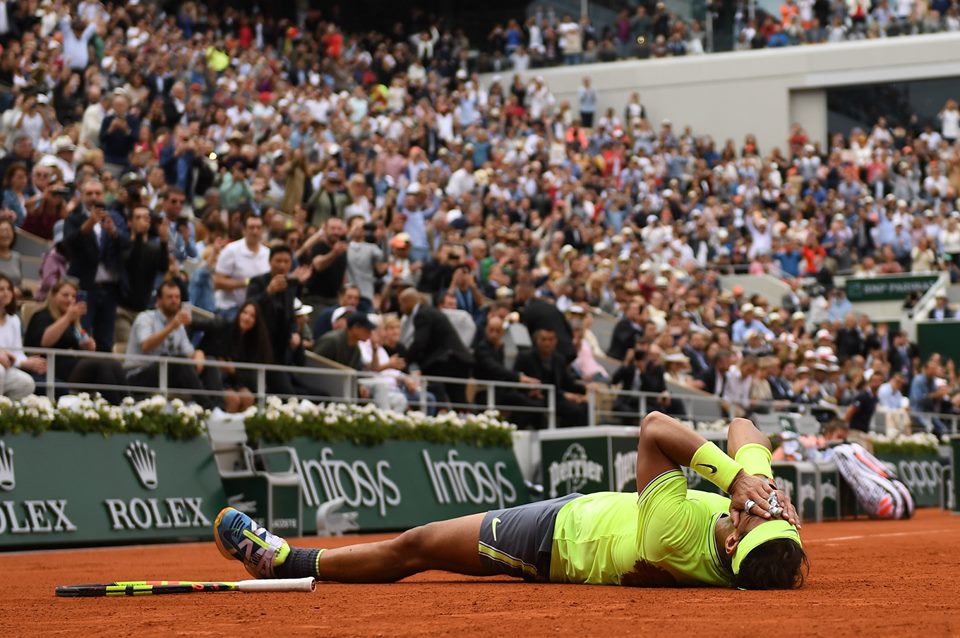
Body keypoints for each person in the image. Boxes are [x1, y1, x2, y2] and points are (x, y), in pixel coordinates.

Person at [214, 412, 805, 590]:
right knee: (416, 549)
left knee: (416, 547)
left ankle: (284, 561)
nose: (757, 507)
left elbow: (653, 428)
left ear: (732, 540)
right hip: (580, 519)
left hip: (550, 540)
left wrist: (732, 478)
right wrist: (762, 484)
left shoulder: (674, 534)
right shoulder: (762, 545)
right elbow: (746, 426)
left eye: (752, 514)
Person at [23, 279, 128, 403]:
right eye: (65, 295)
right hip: (51, 367)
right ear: (53, 296)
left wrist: (88, 344)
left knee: (113, 363)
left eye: (74, 296)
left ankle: (126, 404)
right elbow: (46, 341)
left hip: (74, 366)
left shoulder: (74, 321)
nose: (70, 299)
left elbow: (82, 343)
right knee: (100, 366)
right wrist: (68, 317)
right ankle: (115, 408)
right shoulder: (42, 316)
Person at [125, 280, 224, 410]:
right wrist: (172, 326)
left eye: (177, 297)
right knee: (177, 361)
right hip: (139, 373)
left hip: (168, 374)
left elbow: (189, 352)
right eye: (169, 297)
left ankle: (218, 410)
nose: (174, 301)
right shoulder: (145, 318)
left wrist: (198, 353)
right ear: (159, 300)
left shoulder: (178, 324)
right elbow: (146, 346)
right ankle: (208, 408)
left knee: (209, 362)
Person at [63, 178, 129, 352]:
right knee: (82, 338)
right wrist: (89, 223)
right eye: (89, 193)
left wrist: (113, 232)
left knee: (105, 341)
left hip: (109, 288)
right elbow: (69, 244)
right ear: (82, 196)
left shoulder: (114, 217)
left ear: (104, 195)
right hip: (84, 288)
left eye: (97, 193)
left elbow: (127, 243)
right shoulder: (74, 218)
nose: (94, 197)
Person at [398, 287, 474, 408]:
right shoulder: (428, 311)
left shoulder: (422, 314)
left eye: (401, 304)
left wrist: (404, 361)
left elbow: (419, 343)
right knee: (458, 400)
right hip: (457, 360)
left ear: (407, 301)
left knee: (446, 395)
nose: (400, 308)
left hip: (450, 361)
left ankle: (444, 419)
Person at [115, 206, 169, 345]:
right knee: (126, 349)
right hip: (123, 310)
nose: (142, 221)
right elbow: (133, 261)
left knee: (144, 350)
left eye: (145, 217)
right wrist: (139, 235)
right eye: (138, 217)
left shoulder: (153, 247)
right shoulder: (123, 243)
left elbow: (163, 267)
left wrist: (164, 241)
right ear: (129, 222)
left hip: (144, 311)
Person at [514, 327, 588, 427]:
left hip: (556, 398)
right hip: (534, 397)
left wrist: (586, 389)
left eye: (550, 339)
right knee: (535, 408)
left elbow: (568, 383)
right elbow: (517, 379)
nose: (547, 343)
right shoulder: (525, 357)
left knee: (582, 408)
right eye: (544, 339)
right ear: (536, 341)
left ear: (556, 341)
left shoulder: (559, 359)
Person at [214, 213, 269, 319]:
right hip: (231, 307)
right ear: (244, 230)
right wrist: (247, 282)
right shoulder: (231, 250)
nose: (255, 231)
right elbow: (217, 282)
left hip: (256, 309)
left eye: (258, 228)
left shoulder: (267, 253)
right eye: (251, 227)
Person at [0, 274, 42, 398]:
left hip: (7, 367)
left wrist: (26, 362)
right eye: (1, 289)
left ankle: (9, 414)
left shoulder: (14, 319)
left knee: (26, 383)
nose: (6, 293)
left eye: (9, 289)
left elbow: (17, 352)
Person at [0, 219, 22, 291]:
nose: (4, 234)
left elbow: (19, 284)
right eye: (1, 231)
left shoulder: (17, 257)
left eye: (8, 230)